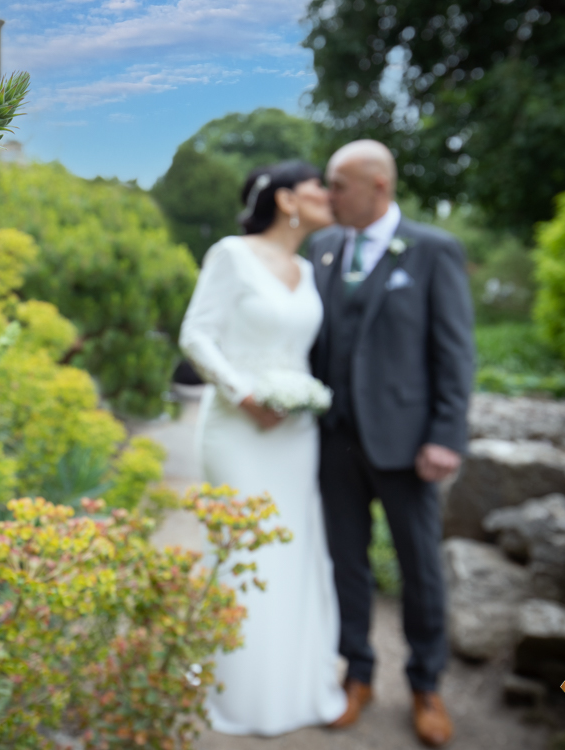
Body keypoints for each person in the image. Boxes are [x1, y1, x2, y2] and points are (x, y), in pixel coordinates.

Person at [309, 140, 474, 748]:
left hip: (408, 447)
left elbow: (455, 352)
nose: (327, 197)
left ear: (378, 186)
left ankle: (426, 685)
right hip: (334, 445)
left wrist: (446, 436)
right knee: (346, 563)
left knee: (420, 569)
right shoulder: (324, 248)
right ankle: (357, 674)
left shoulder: (433, 250)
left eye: (337, 185)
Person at [179, 160, 347, 736]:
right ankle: (236, 691)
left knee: (294, 550)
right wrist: (244, 393)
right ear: (285, 201)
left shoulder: (310, 266)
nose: (327, 195)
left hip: (297, 435)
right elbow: (196, 335)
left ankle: (292, 685)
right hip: (238, 427)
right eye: (316, 187)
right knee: (242, 548)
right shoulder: (232, 253)